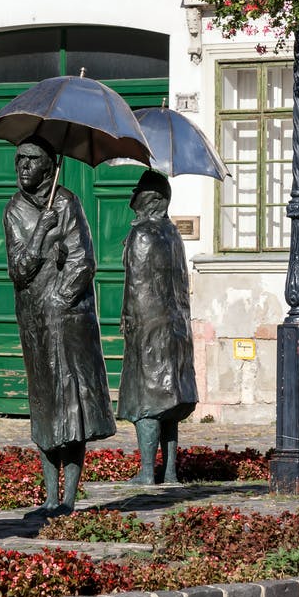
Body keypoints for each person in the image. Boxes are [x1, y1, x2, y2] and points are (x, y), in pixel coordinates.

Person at [3, 136, 116, 515]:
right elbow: (19, 269)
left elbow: (83, 260)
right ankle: (50, 495)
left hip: (68, 320)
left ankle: (68, 496)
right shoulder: (14, 210)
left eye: (31, 160)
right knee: (45, 404)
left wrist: (59, 298)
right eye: (19, 159)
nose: (23, 167)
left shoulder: (67, 203)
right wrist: (40, 233)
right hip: (34, 321)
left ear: (50, 166)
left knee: (72, 405)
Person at [118, 170, 197, 484]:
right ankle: (171, 472)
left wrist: (127, 318)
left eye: (138, 192)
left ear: (149, 199)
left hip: (148, 328)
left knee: (147, 401)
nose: (132, 198)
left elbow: (136, 287)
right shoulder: (173, 233)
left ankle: (148, 473)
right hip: (176, 328)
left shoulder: (142, 234)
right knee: (170, 400)